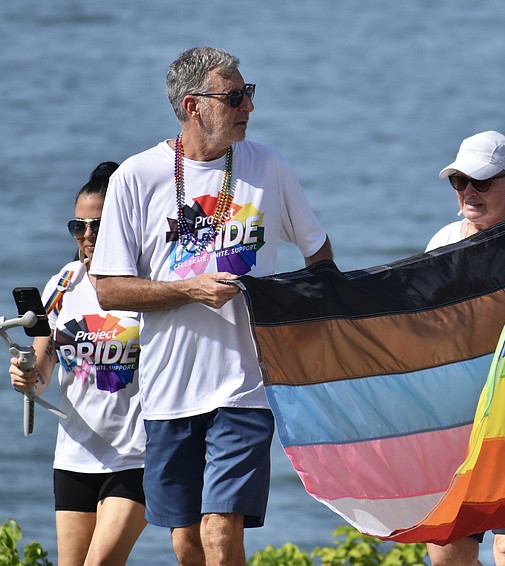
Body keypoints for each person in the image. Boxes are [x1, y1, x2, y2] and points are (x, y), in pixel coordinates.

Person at [89, 46, 333, 566]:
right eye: (235, 97)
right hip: (168, 391)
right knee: (187, 541)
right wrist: (189, 289)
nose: (249, 106)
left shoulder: (269, 166)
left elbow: (318, 253)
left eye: (249, 94)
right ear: (193, 105)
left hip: (245, 386)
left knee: (220, 531)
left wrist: (309, 325)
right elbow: (108, 289)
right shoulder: (137, 175)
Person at [425, 130, 505, 566]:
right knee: (447, 554)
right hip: (456, 415)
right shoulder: (442, 243)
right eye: (459, 181)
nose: (469, 192)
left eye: (480, 182)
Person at [9, 161, 147, 566]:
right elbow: (44, 361)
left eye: (97, 226)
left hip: (136, 455)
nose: (86, 236)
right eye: (78, 226)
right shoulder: (64, 283)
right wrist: (27, 376)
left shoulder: (145, 284)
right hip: (74, 455)